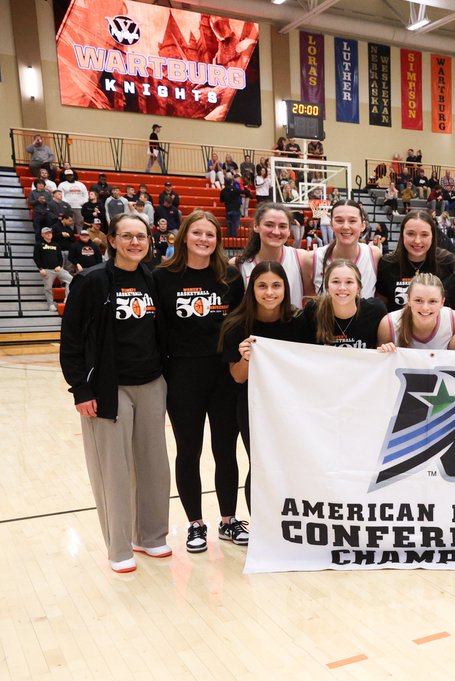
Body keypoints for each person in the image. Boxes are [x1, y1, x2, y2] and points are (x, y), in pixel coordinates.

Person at [59, 213, 170, 573]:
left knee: (154, 466)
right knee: (115, 470)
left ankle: (150, 536)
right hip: (110, 387)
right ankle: (119, 546)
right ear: (112, 239)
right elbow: (71, 339)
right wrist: (81, 389)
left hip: (151, 382)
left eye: (141, 236)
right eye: (127, 236)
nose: (135, 242)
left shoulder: (151, 280)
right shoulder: (91, 281)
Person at [152, 210, 246, 553]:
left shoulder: (231, 277)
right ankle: (195, 523)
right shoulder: (162, 277)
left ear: (217, 240)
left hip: (223, 376)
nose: (204, 240)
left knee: (225, 450)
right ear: (184, 237)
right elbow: (157, 328)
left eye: (210, 234)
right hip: (182, 378)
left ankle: (228, 520)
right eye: (197, 234)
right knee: (188, 452)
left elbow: (240, 325)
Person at [220, 262, 309, 515]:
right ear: (252, 289)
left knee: (293, 466)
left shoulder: (300, 322)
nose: (269, 292)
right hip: (253, 407)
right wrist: (246, 358)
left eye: (276, 286)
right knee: (260, 466)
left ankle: (291, 526)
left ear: (285, 288)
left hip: (293, 408)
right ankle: (261, 531)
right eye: (262, 286)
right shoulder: (236, 325)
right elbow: (237, 377)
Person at [234, 203, 312, 309]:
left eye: (282, 226)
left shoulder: (302, 259)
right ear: (256, 226)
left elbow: (309, 301)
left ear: (289, 231)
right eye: (269, 225)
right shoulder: (238, 265)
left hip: (292, 324)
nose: (276, 231)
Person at [376, 211, 455, 312]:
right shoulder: (387, 264)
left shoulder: (447, 262)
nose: (417, 241)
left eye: (424, 235)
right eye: (410, 234)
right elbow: (382, 306)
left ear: (433, 237)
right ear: (402, 235)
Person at [303, 259, 388, 349]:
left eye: (349, 282)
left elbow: (380, 351)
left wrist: (386, 348)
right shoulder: (313, 310)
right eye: (336, 281)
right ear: (327, 287)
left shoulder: (375, 311)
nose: (342, 288)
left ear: (359, 288)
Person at [312, 200, 380, 300]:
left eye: (352, 221)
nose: (345, 227)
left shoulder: (374, 255)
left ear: (363, 225)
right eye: (339, 221)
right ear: (331, 225)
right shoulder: (314, 258)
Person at [377, 273, 455, 350]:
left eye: (432, 301)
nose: (425, 308)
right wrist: (385, 352)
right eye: (418, 300)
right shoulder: (389, 324)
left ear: (442, 302)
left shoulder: (454, 320)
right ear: (408, 300)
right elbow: (381, 364)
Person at [36, 227, 73, 313]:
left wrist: (59, 266)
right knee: (48, 287)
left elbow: (60, 257)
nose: (49, 234)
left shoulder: (56, 244)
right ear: (42, 235)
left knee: (71, 279)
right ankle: (51, 304)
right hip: (46, 270)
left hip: (57, 269)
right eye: (46, 233)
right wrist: (40, 268)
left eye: (50, 233)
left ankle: (67, 298)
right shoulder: (39, 244)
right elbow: (36, 257)